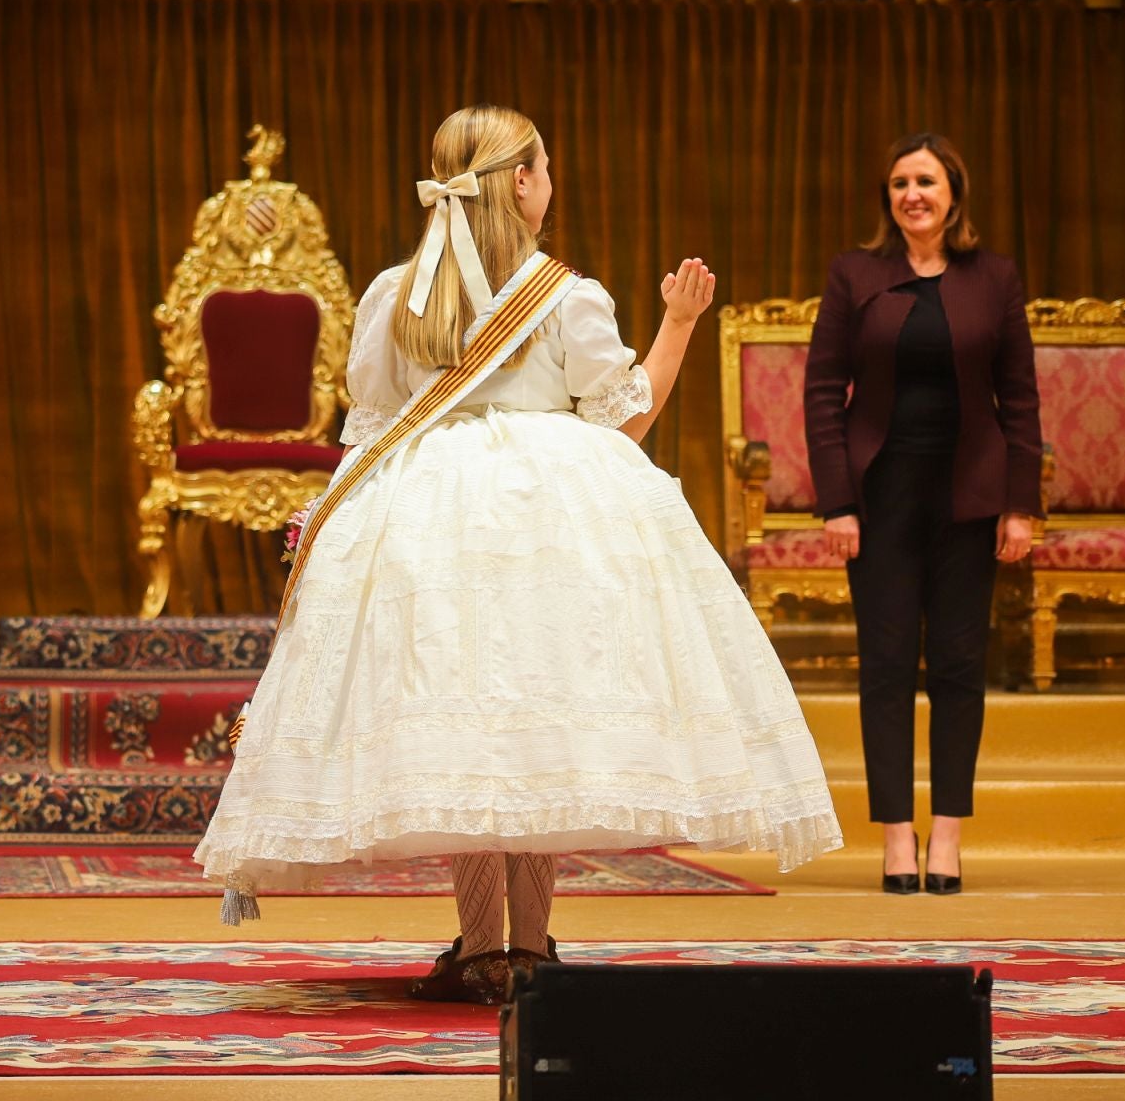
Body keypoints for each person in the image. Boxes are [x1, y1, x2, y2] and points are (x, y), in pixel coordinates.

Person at [195, 105, 841, 1005]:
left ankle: (473, 949)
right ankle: (529, 950)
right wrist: (680, 322)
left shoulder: (396, 294)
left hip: (428, 522)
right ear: (528, 182)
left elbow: (373, 425)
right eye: (545, 167)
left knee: (464, 722)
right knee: (538, 725)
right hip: (551, 520)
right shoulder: (568, 296)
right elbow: (626, 414)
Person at [804, 133, 1040, 898]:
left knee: (962, 668)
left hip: (970, 497)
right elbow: (822, 395)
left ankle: (948, 836)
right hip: (881, 500)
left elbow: (1022, 397)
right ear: (889, 198)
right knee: (886, 667)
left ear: (953, 195)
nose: (914, 194)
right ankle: (896, 837)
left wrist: (1021, 504)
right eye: (901, 182)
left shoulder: (994, 277)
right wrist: (837, 501)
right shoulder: (855, 274)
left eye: (927, 182)